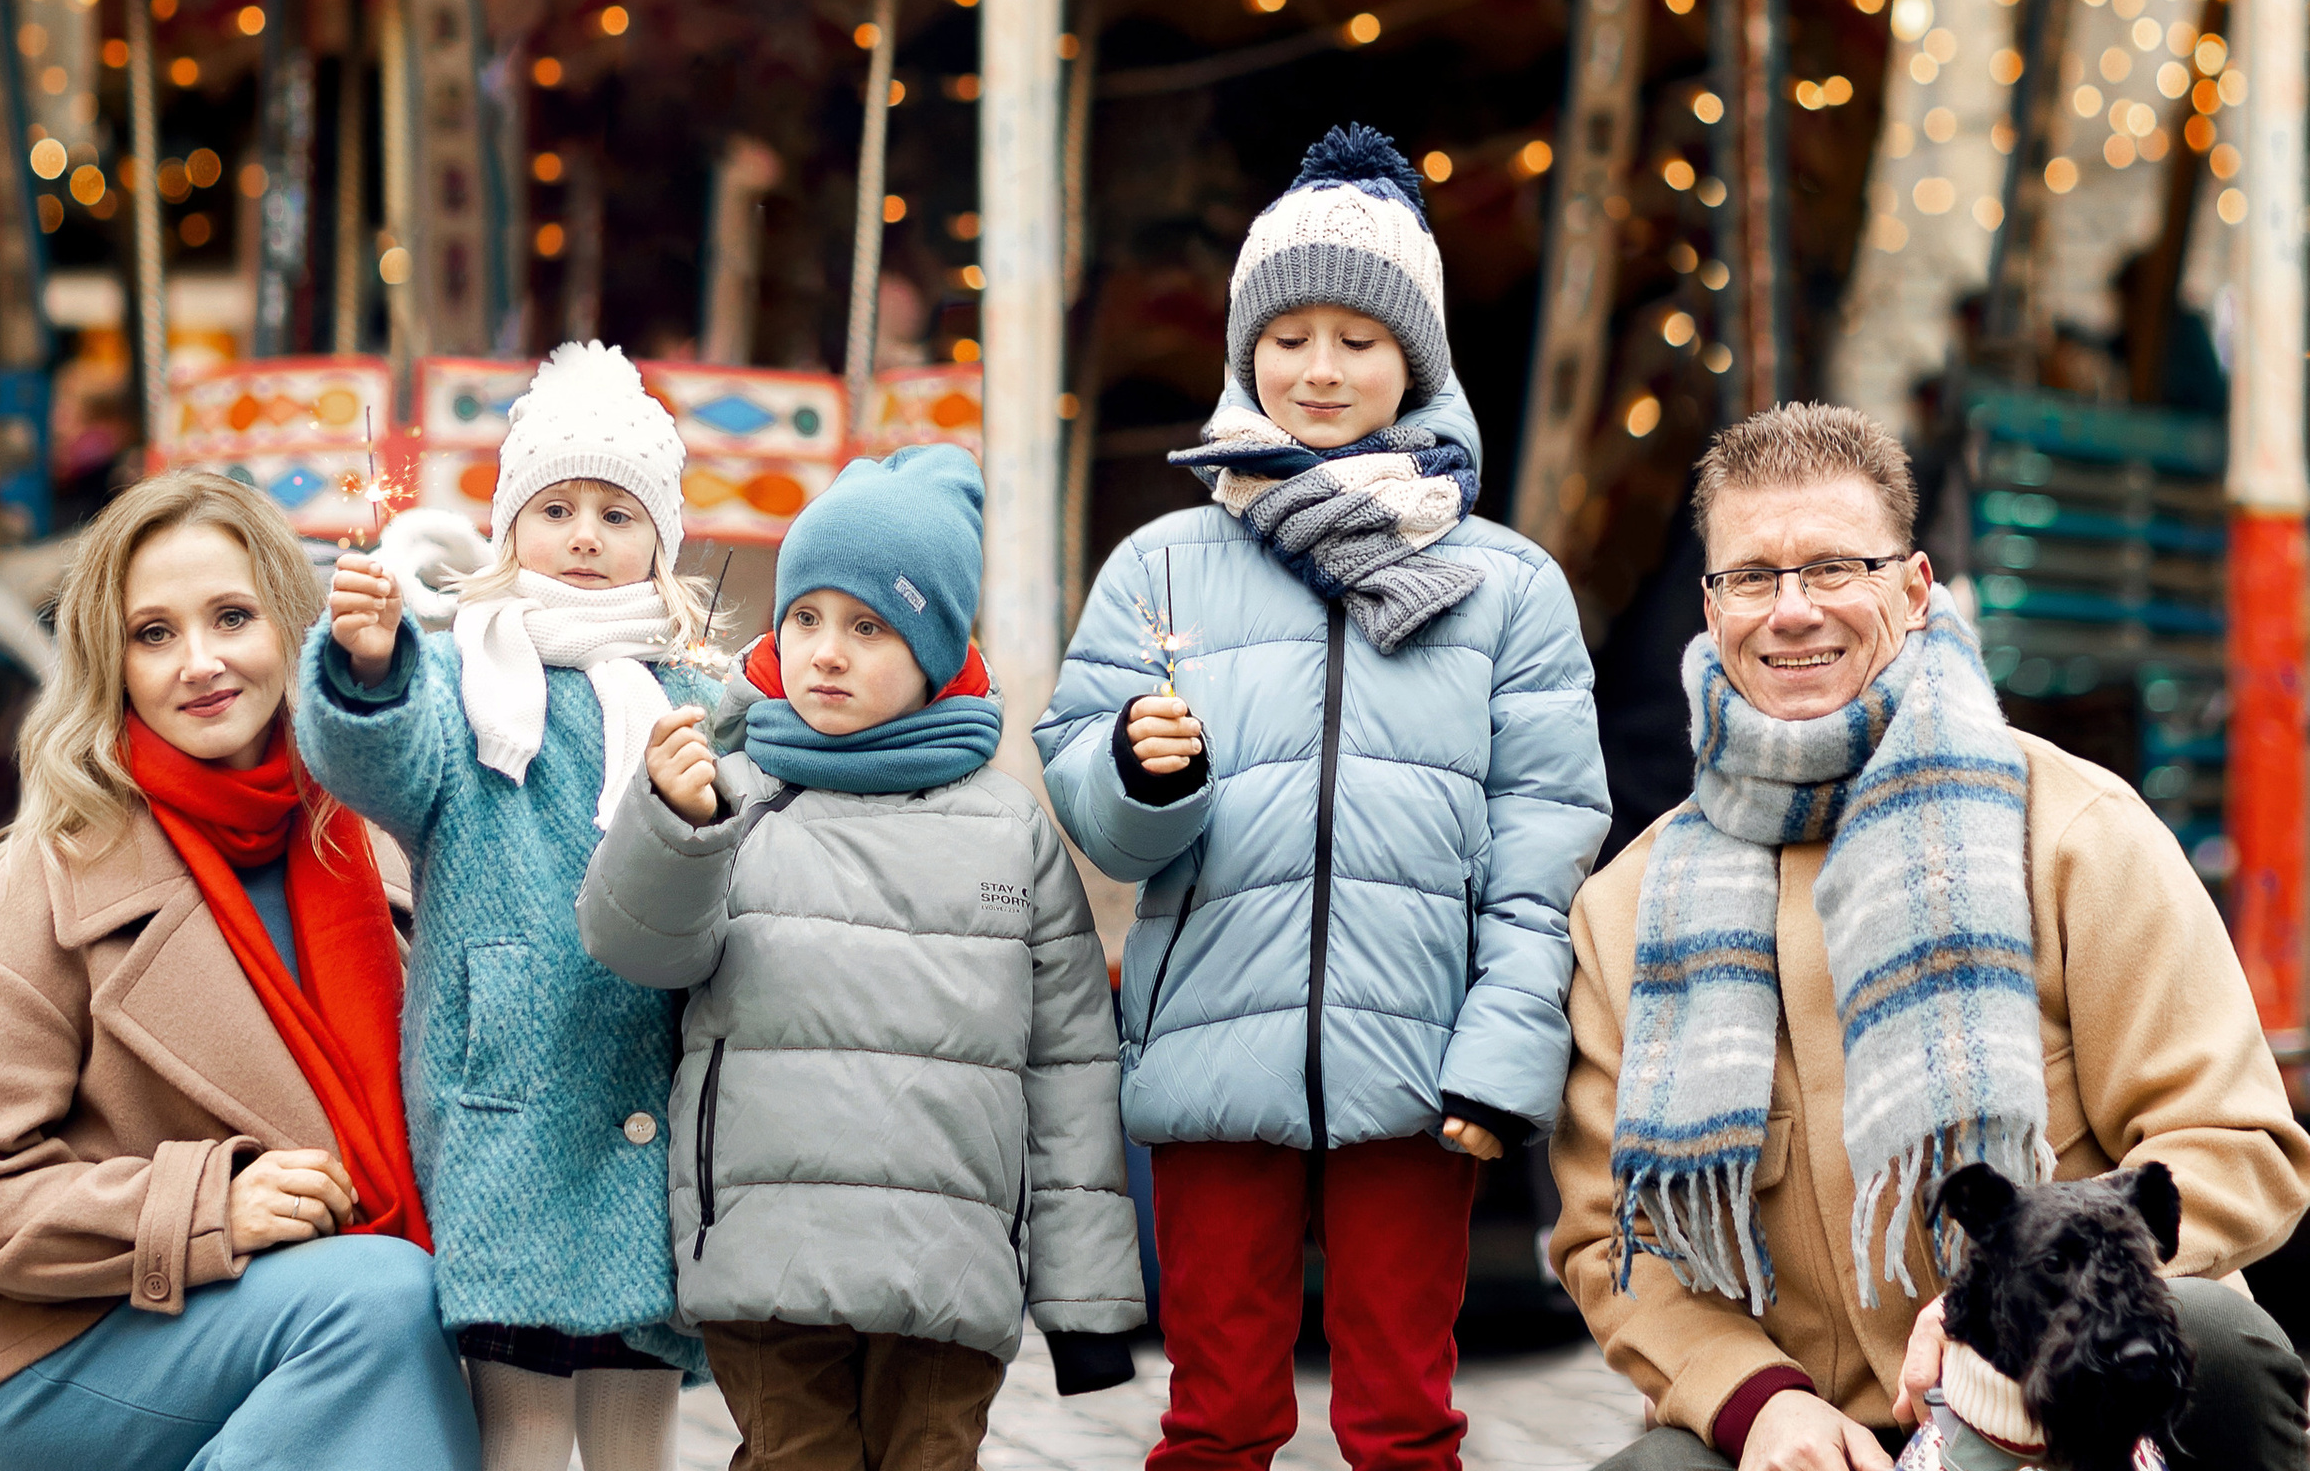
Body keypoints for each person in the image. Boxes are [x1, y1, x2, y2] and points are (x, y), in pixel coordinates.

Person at [1549, 400, 2310, 1471]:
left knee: (2221, 1339)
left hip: (2068, 1393)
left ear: (1912, 590)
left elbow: (2235, 1145)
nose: (1792, 611)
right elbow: (1608, 1240)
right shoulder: (1626, 911)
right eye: (1753, 577)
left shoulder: (2075, 831)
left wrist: (2005, 1304)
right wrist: (1758, 1404)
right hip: (1827, 1438)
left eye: (1834, 568)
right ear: (1710, 607)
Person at [1035, 123, 1612, 1471]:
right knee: (1214, 1417)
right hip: (1209, 1045)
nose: (1320, 368)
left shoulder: (1507, 586)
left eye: (1359, 337)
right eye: (1288, 336)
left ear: (1418, 359)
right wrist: (1139, 773)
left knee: (1404, 1421)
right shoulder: (1160, 564)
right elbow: (1091, 805)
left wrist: (1503, 1053)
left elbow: (1545, 841)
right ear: (1246, 351)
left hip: (1422, 1065)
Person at [0, 469, 475, 1471]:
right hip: (72, 1347)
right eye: (153, 633)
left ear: (290, 626)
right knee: (384, 1305)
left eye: (231, 617)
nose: (199, 663)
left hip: (324, 1310)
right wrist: (206, 1208)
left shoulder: (381, 837)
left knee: (419, 1341)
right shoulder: (53, 871)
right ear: (110, 662)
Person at [578, 443, 1147, 1471]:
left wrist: (1088, 1304)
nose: (826, 653)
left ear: (935, 649)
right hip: (766, 1250)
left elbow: (1067, 1067)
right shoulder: (731, 792)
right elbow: (636, 947)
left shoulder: (1008, 830)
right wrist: (670, 824)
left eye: (869, 626)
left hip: (950, 1266)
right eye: (804, 618)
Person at [305, 340, 713, 1471]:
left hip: (645, 1082)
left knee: (636, 1404)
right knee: (520, 1414)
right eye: (556, 509)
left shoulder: (692, 695)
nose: (585, 536)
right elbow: (381, 769)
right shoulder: (458, 676)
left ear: (660, 544)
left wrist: (698, 806)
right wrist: (369, 669)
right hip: (506, 1092)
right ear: (509, 528)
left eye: (618, 515)